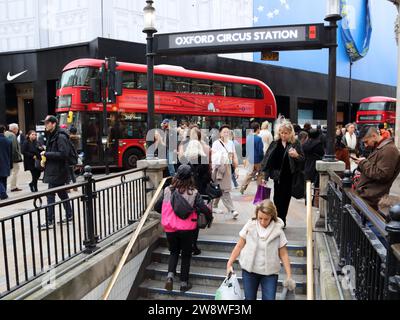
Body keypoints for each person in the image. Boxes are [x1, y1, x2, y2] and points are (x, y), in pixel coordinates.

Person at [154, 165, 212, 292]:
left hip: (170, 228)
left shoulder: (167, 190)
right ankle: (184, 283)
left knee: (173, 252)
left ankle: (170, 276)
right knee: (185, 255)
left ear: (176, 176)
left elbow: (157, 207)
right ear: (190, 177)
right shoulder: (194, 193)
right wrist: (209, 216)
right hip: (187, 229)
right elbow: (203, 208)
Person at [226, 200, 294, 300]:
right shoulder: (250, 225)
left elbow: (283, 253)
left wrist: (289, 275)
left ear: (272, 216)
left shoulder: (278, 230)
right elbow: (239, 246)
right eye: (260, 218)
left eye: (266, 219)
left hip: (270, 274)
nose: (262, 222)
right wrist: (229, 263)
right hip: (249, 271)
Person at [260, 120, 305, 227]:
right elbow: (267, 160)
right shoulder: (275, 143)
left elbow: (303, 159)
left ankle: (282, 220)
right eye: (281, 132)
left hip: (289, 176)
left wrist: (296, 156)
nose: (283, 135)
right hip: (277, 176)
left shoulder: (295, 143)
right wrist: (264, 176)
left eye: (286, 133)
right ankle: (277, 219)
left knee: (286, 199)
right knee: (277, 198)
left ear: (290, 133)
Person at [354, 127, 400, 210]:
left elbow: (382, 175)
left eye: (366, 141)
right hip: (368, 196)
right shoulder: (380, 147)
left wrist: (363, 162)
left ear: (374, 136)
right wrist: (362, 163)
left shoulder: (389, 150)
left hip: (371, 198)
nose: (366, 145)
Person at [40, 115, 74, 230]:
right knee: (61, 193)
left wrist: (47, 154)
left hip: (58, 170)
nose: (45, 125)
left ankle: (50, 220)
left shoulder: (60, 136)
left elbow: (63, 154)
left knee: (51, 194)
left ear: (53, 124)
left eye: (47, 123)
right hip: (55, 169)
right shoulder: (53, 135)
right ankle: (69, 215)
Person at [184, 127, 212, 255]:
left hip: (186, 195)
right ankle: (193, 245)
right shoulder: (203, 160)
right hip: (198, 194)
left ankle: (187, 245)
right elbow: (207, 178)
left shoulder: (186, 161)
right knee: (195, 220)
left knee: (187, 219)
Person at [211, 125, 239, 219]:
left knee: (221, 188)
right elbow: (213, 157)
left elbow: (234, 156)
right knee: (224, 190)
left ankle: (214, 206)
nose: (226, 133)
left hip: (227, 168)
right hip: (219, 168)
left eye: (228, 132)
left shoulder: (231, 143)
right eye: (224, 132)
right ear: (220, 133)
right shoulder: (216, 143)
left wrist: (236, 168)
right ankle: (232, 210)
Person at [240, 122, 264, 195]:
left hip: (251, 159)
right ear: (257, 129)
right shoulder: (259, 138)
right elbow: (260, 151)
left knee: (250, 174)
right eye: (259, 128)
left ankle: (243, 187)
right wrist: (263, 159)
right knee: (260, 175)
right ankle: (259, 191)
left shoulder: (248, 137)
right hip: (258, 160)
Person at [303, 129, 325, 207]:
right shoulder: (318, 144)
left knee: (308, 183)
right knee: (316, 185)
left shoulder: (305, 144)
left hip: (307, 165)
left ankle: (307, 200)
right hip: (316, 166)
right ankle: (314, 202)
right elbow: (322, 154)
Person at [5, 123, 23, 192]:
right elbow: (14, 148)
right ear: (14, 129)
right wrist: (18, 157)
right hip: (13, 158)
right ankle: (13, 187)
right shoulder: (12, 135)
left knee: (7, 172)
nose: (18, 130)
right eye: (17, 129)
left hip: (6, 157)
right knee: (15, 172)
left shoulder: (6, 133)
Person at [0, 125, 12, 200]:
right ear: (4, 131)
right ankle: (3, 193)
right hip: (6, 162)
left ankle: (3, 193)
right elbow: (10, 153)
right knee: (4, 179)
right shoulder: (8, 140)